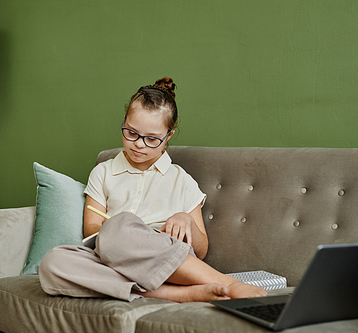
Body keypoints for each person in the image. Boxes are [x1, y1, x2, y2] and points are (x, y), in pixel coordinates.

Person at [39, 77, 267, 302]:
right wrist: (116, 229)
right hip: (112, 256)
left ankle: (229, 283)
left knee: (121, 229)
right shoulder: (103, 172)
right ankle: (175, 295)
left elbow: (201, 248)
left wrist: (186, 220)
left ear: (168, 137)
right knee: (53, 263)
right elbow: (91, 229)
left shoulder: (182, 180)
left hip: (168, 260)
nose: (139, 144)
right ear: (124, 123)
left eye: (151, 139)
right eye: (131, 133)